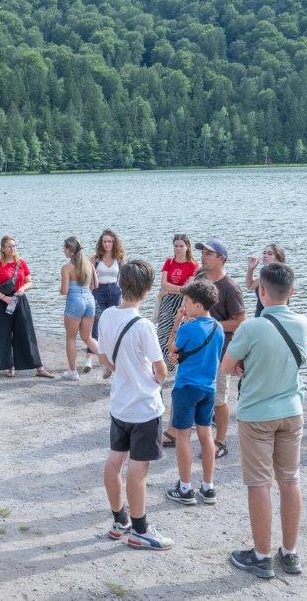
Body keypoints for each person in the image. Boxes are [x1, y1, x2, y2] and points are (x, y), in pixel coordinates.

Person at [220, 262, 307, 580]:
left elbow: (227, 366)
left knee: (259, 484)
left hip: (257, 414)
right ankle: (290, 552)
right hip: (292, 410)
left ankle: (261, 556)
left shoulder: (251, 327)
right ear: (292, 291)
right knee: (290, 480)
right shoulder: (303, 323)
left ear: (261, 292)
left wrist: (243, 365)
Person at [97, 259, 172, 551]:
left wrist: (123, 371)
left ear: (120, 285)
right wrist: (154, 380)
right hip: (144, 407)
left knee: (114, 462)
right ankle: (141, 529)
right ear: (148, 290)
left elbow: (104, 357)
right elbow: (161, 370)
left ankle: (120, 520)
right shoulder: (145, 326)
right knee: (138, 470)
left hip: (120, 404)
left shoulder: (106, 316)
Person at [165, 279, 224, 507]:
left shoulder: (188, 328)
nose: (184, 306)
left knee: (183, 436)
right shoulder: (218, 328)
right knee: (206, 434)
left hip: (186, 387)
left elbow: (172, 347)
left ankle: (185, 487)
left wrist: (177, 321)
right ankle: (208, 486)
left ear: (198, 306)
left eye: (187, 302)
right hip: (208, 388)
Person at [196, 239, 247, 458]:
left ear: (221, 259)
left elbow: (240, 321)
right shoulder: (200, 279)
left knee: (219, 397)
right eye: (203, 252)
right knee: (197, 392)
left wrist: (211, 325)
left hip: (220, 350)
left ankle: (221, 441)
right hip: (197, 349)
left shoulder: (230, 287)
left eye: (209, 253)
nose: (203, 256)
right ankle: (201, 434)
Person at [0, 236, 53, 379]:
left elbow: (30, 281)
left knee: (26, 332)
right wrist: (4, 298)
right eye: (9, 246)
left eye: (14, 246)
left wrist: (23, 288)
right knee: (4, 334)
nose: (12, 248)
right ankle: (9, 365)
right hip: (3, 302)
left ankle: (39, 367)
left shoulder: (21, 262)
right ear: (3, 248)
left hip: (19, 300)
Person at [60, 236, 100, 381]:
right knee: (87, 337)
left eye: (65, 248)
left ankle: (72, 371)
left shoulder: (67, 268)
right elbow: (95, 285)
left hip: (75, 302)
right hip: (89, 300)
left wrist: (61, 289)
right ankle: (108, 361)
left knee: (71, 338)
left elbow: (64, 291)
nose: (63, 251)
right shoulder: (88, 264)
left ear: (70, 250)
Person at [155, 234, 198, 366]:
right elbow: (163, 284)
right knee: (162, 332)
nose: (178, 248)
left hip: (184, 302)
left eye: (181, 246)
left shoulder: (193, 265)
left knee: (180, 333)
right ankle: (163, 365)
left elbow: (188, 288)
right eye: (176, 246)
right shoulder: (169, 262)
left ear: (187, 247)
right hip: (167, 302)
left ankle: (175, 364)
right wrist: (178, 288)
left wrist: (170, 289)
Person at [90, 229, 125, 373]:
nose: (107, 244)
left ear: (114, 243)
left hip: (115, 291)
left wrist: (125, 294)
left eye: (110, 241)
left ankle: (110, 359)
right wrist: (92, 273)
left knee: (114, 325)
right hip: (99, 291)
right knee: (98, 323)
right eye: (104, 241)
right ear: (101, 243)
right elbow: (85, 276)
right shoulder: (95, 258)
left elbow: (125, 278)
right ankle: (90, 358)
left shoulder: (119, 259)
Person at [246, 244, 286, 317]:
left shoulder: (281, 274)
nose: (265, 255)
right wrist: (251, 269)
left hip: (274, 316)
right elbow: (250, 286)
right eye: (264, 253)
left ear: (278, 258)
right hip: (261, 315)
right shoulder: (265, 272)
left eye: (270, 254)